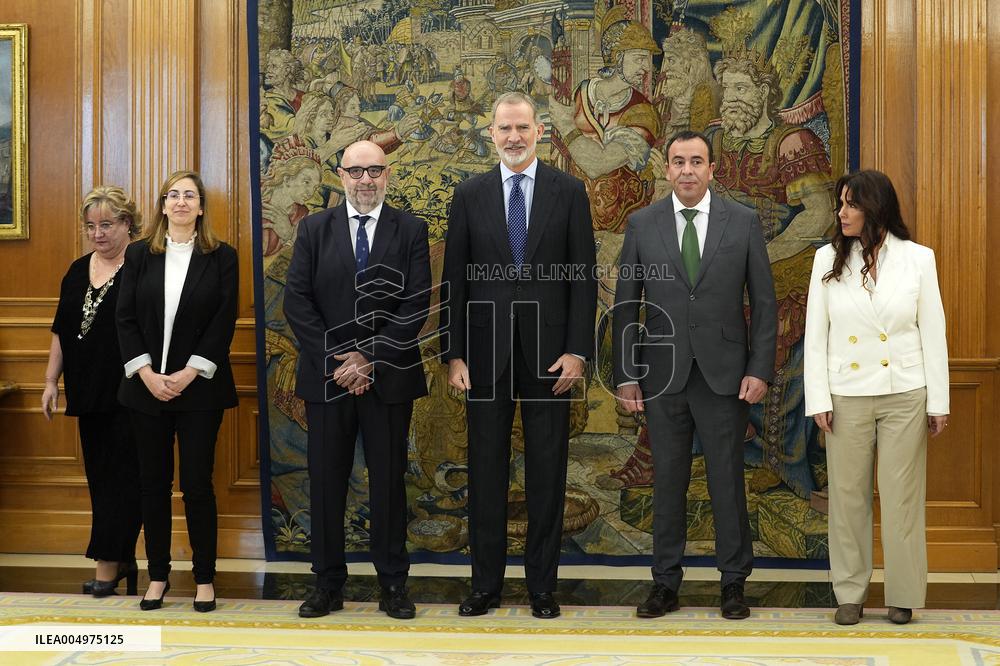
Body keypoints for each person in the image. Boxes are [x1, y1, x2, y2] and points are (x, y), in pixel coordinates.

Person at [441, 92, 597, 619]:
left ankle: (542, 588)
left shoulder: (570, 191)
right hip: (483, 358)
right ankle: (484, 585)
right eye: (504, 128)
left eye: (522, 128)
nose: (513, 137)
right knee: (485, 472)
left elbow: (583, 279)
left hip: (550, 356)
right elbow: (455, 282)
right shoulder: (469, 193)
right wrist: (454, 354)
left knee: (547, 473)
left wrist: (578, 351)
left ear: (540, 131)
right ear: (492, 133)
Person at [612, 130, 777, 620]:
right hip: (661, 376)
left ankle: (733, 583)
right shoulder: (642, 225)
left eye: (696, 161)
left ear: (712, 169)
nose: (687, 170)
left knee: (727, 479)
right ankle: (665, 583)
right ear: (667, 169)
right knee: (667, 481)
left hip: (725, 375)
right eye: (678, 161)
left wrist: (759, 369)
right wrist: (626, 376)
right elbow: (626, 306)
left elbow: (764, 305)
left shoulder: (743, 222)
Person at [284, 140, 431, 620]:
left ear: (387, 175)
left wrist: (367, 358)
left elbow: (416, 305)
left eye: (375, 171)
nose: (366, 180)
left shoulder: (410, 230)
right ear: (340, 176)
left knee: (389, 481)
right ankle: (327, 585)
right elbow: (297, 303)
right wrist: (340, 362)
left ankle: (393, 584)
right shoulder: (313, 229)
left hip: (388, 379)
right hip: (328, 380)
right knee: (327, 482)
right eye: (356, 171)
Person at [803, 170, 949, 626]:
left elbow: (934, 331)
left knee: (902, 496)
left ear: (876, 208)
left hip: (905, 392)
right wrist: (818, 398)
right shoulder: (826, 258)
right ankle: (849, 592)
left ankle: (903, 594)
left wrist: (938, 401)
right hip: (845, 393)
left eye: (851, 204)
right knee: (847, 497)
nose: (841, 212)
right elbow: (815, 337)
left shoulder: (918, 259)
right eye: (840, 204)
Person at [116, 170, 239, 613]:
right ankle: (159, 577)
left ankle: (204, 578)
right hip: (146, 388)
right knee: (152, 486)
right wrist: (146, 373)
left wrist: (188, 373)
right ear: (163, 205)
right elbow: (124, 319)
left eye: (190, 195)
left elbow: (223, 321)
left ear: (201, 207)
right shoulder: (138, 255)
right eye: (174, 195)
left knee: (197, 485)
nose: (181, 202)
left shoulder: (222, 256)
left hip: (200, 390)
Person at [42, 186, 143, 597]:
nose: (97, 234)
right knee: (100, 479)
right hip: (86, 392)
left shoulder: (142, 265)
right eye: (90, 226)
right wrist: (50, 381)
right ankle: (121, 559)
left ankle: (108, 564)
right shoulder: (76, 269)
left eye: (106, 224)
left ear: (127, 224)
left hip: (131, 390)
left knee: (126, 479)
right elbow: (61, 330)